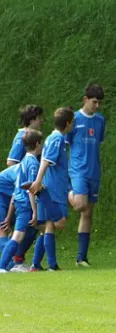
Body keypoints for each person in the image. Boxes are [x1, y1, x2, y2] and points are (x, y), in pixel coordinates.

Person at [29, 107, 74, 271]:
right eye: (72, 123)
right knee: (58, 222)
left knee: (48, 226)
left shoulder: (52, 138)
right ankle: (52, 265)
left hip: (55, 186)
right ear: (68, 123)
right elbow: (47, 160)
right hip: (53, 188)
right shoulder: (57, 139)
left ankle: (36, 264)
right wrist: (38, 181)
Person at [66, 84, 106, 267]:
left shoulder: (100, 120)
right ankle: (66, 189)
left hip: (93, 170)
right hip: (78, 169)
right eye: (94, 102)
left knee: (88, 213)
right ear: (85, 99)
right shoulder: (73, 119)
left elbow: (99, 142)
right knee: (80, 205)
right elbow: (66, 143)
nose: (96, 106)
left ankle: (81, 257)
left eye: (99, 103)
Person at [0, 130, 42, 273]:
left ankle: (16, 264)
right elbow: (30, 188)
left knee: (22, 233)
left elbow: (17, 186)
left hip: (17, 201)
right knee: (18, 235)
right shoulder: (32, 164)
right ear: (37, 144)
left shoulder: (23, 161)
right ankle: (3, 266)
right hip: (24, 203)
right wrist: (35, 211)